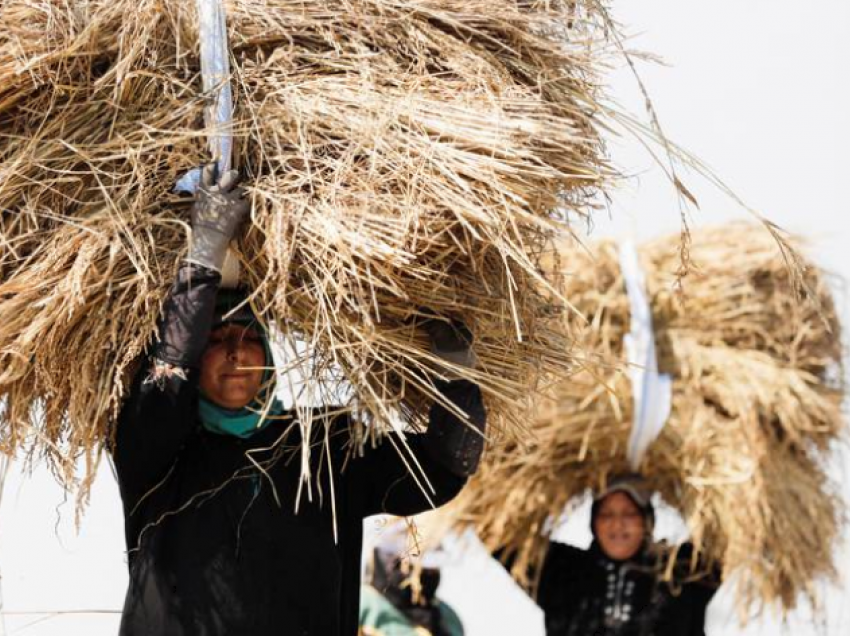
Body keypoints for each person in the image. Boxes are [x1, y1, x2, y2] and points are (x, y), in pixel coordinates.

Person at [112, 164, 486, 636]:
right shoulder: (158, 455)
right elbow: (166, 379)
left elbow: (442, 470)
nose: (233, 351)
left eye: (248, 337)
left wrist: (454, 372)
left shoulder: (321, 451)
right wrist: (204, 250)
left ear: (269, 357)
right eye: (215, 338)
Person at [497, 474, 719, 636]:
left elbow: (727, 534)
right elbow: (500, 534)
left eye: (629, 513)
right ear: (594, 522)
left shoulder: (680, 571)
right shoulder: (563, 570)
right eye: (606, 514)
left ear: (647, 520)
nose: (617, 524)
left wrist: (684, 483)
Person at [359, 534, 464, 636]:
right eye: (414, 568)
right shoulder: (362, 604)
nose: (427, 574)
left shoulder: (448, 617)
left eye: (431, 569)